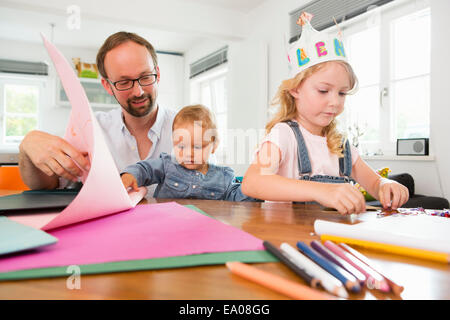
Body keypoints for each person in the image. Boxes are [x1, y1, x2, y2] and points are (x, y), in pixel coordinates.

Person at [242, 12, 409, 214]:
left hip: (331, 238)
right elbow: (252, 182)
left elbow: (373, 182)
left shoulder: (341, 145)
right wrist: (321, 191)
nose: (335, 102)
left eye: (342, 93)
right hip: (288, 238)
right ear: (295, 89)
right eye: (323, 91)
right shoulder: (283, 134)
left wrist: (384, 185)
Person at [18, 32, 176, 190]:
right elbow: (48, 185)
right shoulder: (91, 129)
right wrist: (26, 149)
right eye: (124, 82)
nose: (138, 91)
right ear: (107, 86)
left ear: (158, 74)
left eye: (146, 76)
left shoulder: (189, 127)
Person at [121, 104, 259, 201]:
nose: (189, 154)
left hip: (203, 230)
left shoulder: (223, 177)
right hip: (167, 225)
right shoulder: (167, 165)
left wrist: (257, 187)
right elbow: (146, 169)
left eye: (198, 147)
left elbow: (238, 197)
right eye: (181, 146)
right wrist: (130, 175)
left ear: (214, 145)